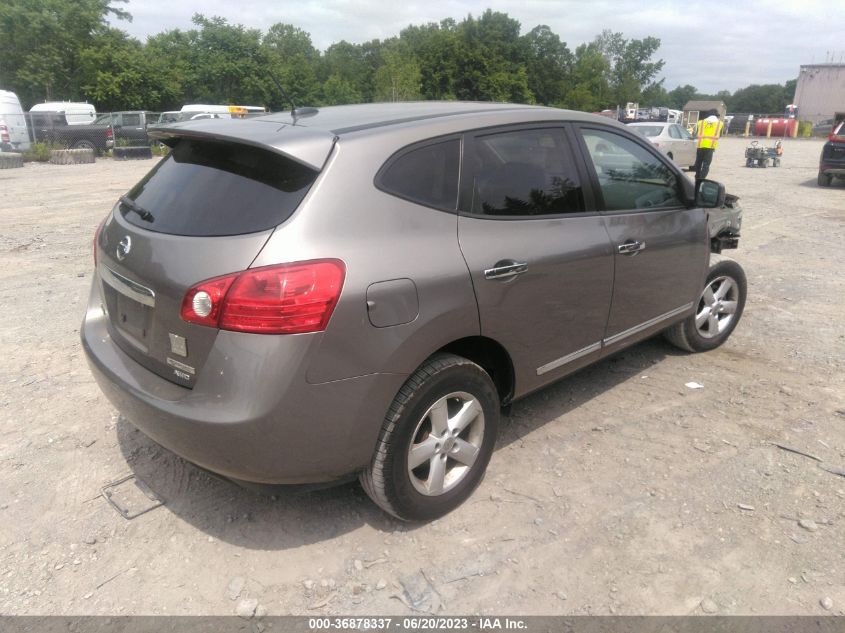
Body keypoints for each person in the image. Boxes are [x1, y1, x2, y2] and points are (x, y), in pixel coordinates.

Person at [693, 109, 724, 182]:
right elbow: (720, 135)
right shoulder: (720, 123)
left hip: (700, 146)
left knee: (698, 163)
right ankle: (701, 179)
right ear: (717, 116)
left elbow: (695, 133)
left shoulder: (700, 122)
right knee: (706, 165)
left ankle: (697, 177)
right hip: (710, 147)